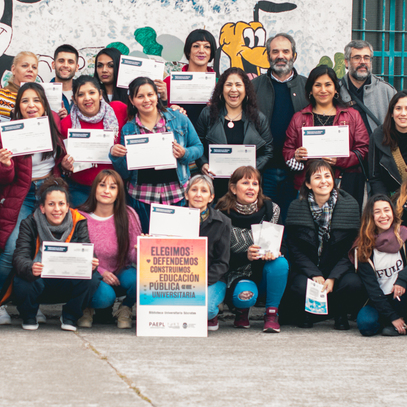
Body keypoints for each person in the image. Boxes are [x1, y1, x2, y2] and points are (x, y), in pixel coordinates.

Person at [0, 82, 71, 322]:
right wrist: (5, 165)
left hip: (49, 192)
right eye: (25, 101)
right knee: (12, 247)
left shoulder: (54, 125)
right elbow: (4, 178)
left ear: (44, 104)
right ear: (18, 105)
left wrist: (66, 167)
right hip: (23, 193)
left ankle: (30, 302)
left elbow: (60, 163)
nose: (31, 105)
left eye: (36, 100)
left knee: (41, 251)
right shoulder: (6, 132)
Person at [1, 177, 101, 331]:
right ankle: (29, 315)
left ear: (67, 206)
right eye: (51, 204)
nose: (57, 209)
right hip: (39, 280)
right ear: (42, 208)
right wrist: (30, 267)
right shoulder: (30, 223)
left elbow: (87, 251)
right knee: (22, 278)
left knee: (92, 278)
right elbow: (20, 257)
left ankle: (70, 316)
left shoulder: (79, 221)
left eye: (61, 204)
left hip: (66, 281)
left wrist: (91, 263)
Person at [110, 77, 203, 232]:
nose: (146, 100)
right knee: (148, 245)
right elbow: (125, 172)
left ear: (157, 96)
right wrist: (116, 157)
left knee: (176, 243)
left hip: (176, 194)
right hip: (142, 197)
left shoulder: (178, 118)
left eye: (150, 95)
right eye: (140, 96)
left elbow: (198, 148)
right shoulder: (128, 129)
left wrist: (184, 153)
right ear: (132, 101)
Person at [282, 159, 362, 329]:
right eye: (317, 177)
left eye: (327, 176)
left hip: (337, 270)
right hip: (309, 269)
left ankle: (340, 313)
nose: (323, 181)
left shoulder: (350, 205)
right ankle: (309, 313)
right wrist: (314, 274)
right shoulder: (296, 207)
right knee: (298, 286)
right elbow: (294, 249)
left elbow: (351, 249)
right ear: (308, 184)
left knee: (353, 283)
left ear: (334, 181)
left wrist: (333, 277)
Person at [283, 65, 369, 205]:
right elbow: (287, 150)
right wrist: (296, 155)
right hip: (308, 185)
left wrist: (339, 160)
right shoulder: (299, 117)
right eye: (317, 85)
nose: (323, 90)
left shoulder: (352, 115)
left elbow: (363, 149)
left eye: (328, 84)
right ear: (310, 90)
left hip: (343, 184)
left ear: (335, 89)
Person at [216, 166, 287, 333]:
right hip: (236, 272)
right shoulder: (221, 214)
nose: (251, 188)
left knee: (281, 263)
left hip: (264, 272)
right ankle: (242, 311)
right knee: (244, 296)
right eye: (245, 182)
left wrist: (276, 252)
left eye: (255, 184)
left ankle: (271, 314)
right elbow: (218, 256)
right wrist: (245, 256)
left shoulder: (272, 210)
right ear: (233, 188)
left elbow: (284, 245)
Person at [343, 195, 407, 337]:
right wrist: (393, 317)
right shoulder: (363, 245)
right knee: (366, 325)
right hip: (379, 298)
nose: (383, 215)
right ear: (370, 216)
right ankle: (392, 322)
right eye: (377, 212)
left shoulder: (404, 234)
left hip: (403, 295)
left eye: (387, 210)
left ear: (393, 212)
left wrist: (402, 279)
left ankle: (402, 322)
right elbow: (371, 288)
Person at [194, 67, 273, 200]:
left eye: (238, 85)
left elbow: (268, 151)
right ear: (221, 89)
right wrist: (203, 164)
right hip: (215, 188)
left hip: (246, 189)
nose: (233, 89)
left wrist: (249, 171)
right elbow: (197, 144)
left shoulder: (259, 118)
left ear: (246, 90)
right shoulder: (207, 115)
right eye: (229, 84)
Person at [77, 169, 141, 329]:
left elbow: (132, 256)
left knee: (141, 279)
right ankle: (86, 307)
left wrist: (140, 251)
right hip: (91, 275)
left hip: (120, 272)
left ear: (119, 192)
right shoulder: (80, 215)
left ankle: (125, 308)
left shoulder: (129, 214)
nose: (106, 191)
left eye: (113, 187)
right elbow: (76, 256)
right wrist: (100, 271)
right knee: (105, 297)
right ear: (94, 188)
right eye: (102, 185)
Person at [253, 33, 307, 219]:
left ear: (294, 56)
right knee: (266, 220)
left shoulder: (308, 87)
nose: (280, 56)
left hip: (298, 172)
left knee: (293, 222)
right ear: (268, 56)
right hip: (264, 169)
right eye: (275, 51)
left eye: (286, 51)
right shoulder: (253, 87)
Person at [59, 75, 128, 208]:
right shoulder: (66, 124)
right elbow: (61, 162)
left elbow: (144, 115)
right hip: (81, 190)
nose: (87, 98)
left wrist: (175, 109)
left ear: (100, 94)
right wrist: (64, 165)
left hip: (114, 188)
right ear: (74, 99)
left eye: (92, 92)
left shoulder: (119, 110)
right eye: (81, 94)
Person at [184, 174, 231, 331]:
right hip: (179, 277)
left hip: (211, 279)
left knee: (206, 310)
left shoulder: (223, 222)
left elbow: (222, 262)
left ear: (211, 197)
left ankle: (212, 314)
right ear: (186, 194)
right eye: (194, 189)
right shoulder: (173, 217)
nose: (198, 194)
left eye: (204, 191)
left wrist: (200, 282)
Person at [337, 39, 396, 135]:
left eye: (366, 57)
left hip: (378, 149)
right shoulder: (336, 91)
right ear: (346, 62)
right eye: (357, 58)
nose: (362, 62)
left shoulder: (387, 92)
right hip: (349, 149)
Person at [158, 29, 217, 123]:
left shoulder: (220, 84)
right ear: (188, 51)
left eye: (207, 47)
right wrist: (169, 109)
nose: (201, 51)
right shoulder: (169, 82)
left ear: (212, 53)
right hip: (177, 136)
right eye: (196, 46)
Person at [0, 51, 39, 118]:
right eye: (25, 66)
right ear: (13, 69)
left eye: (34, 67)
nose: (30, 69)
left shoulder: (42, 98)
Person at [52, 44, 79, 116]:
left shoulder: (84, 92)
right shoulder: (42, 92)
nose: (65, 65)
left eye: (70, 62)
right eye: (61, 61)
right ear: (53, 65)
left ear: (77, 67)